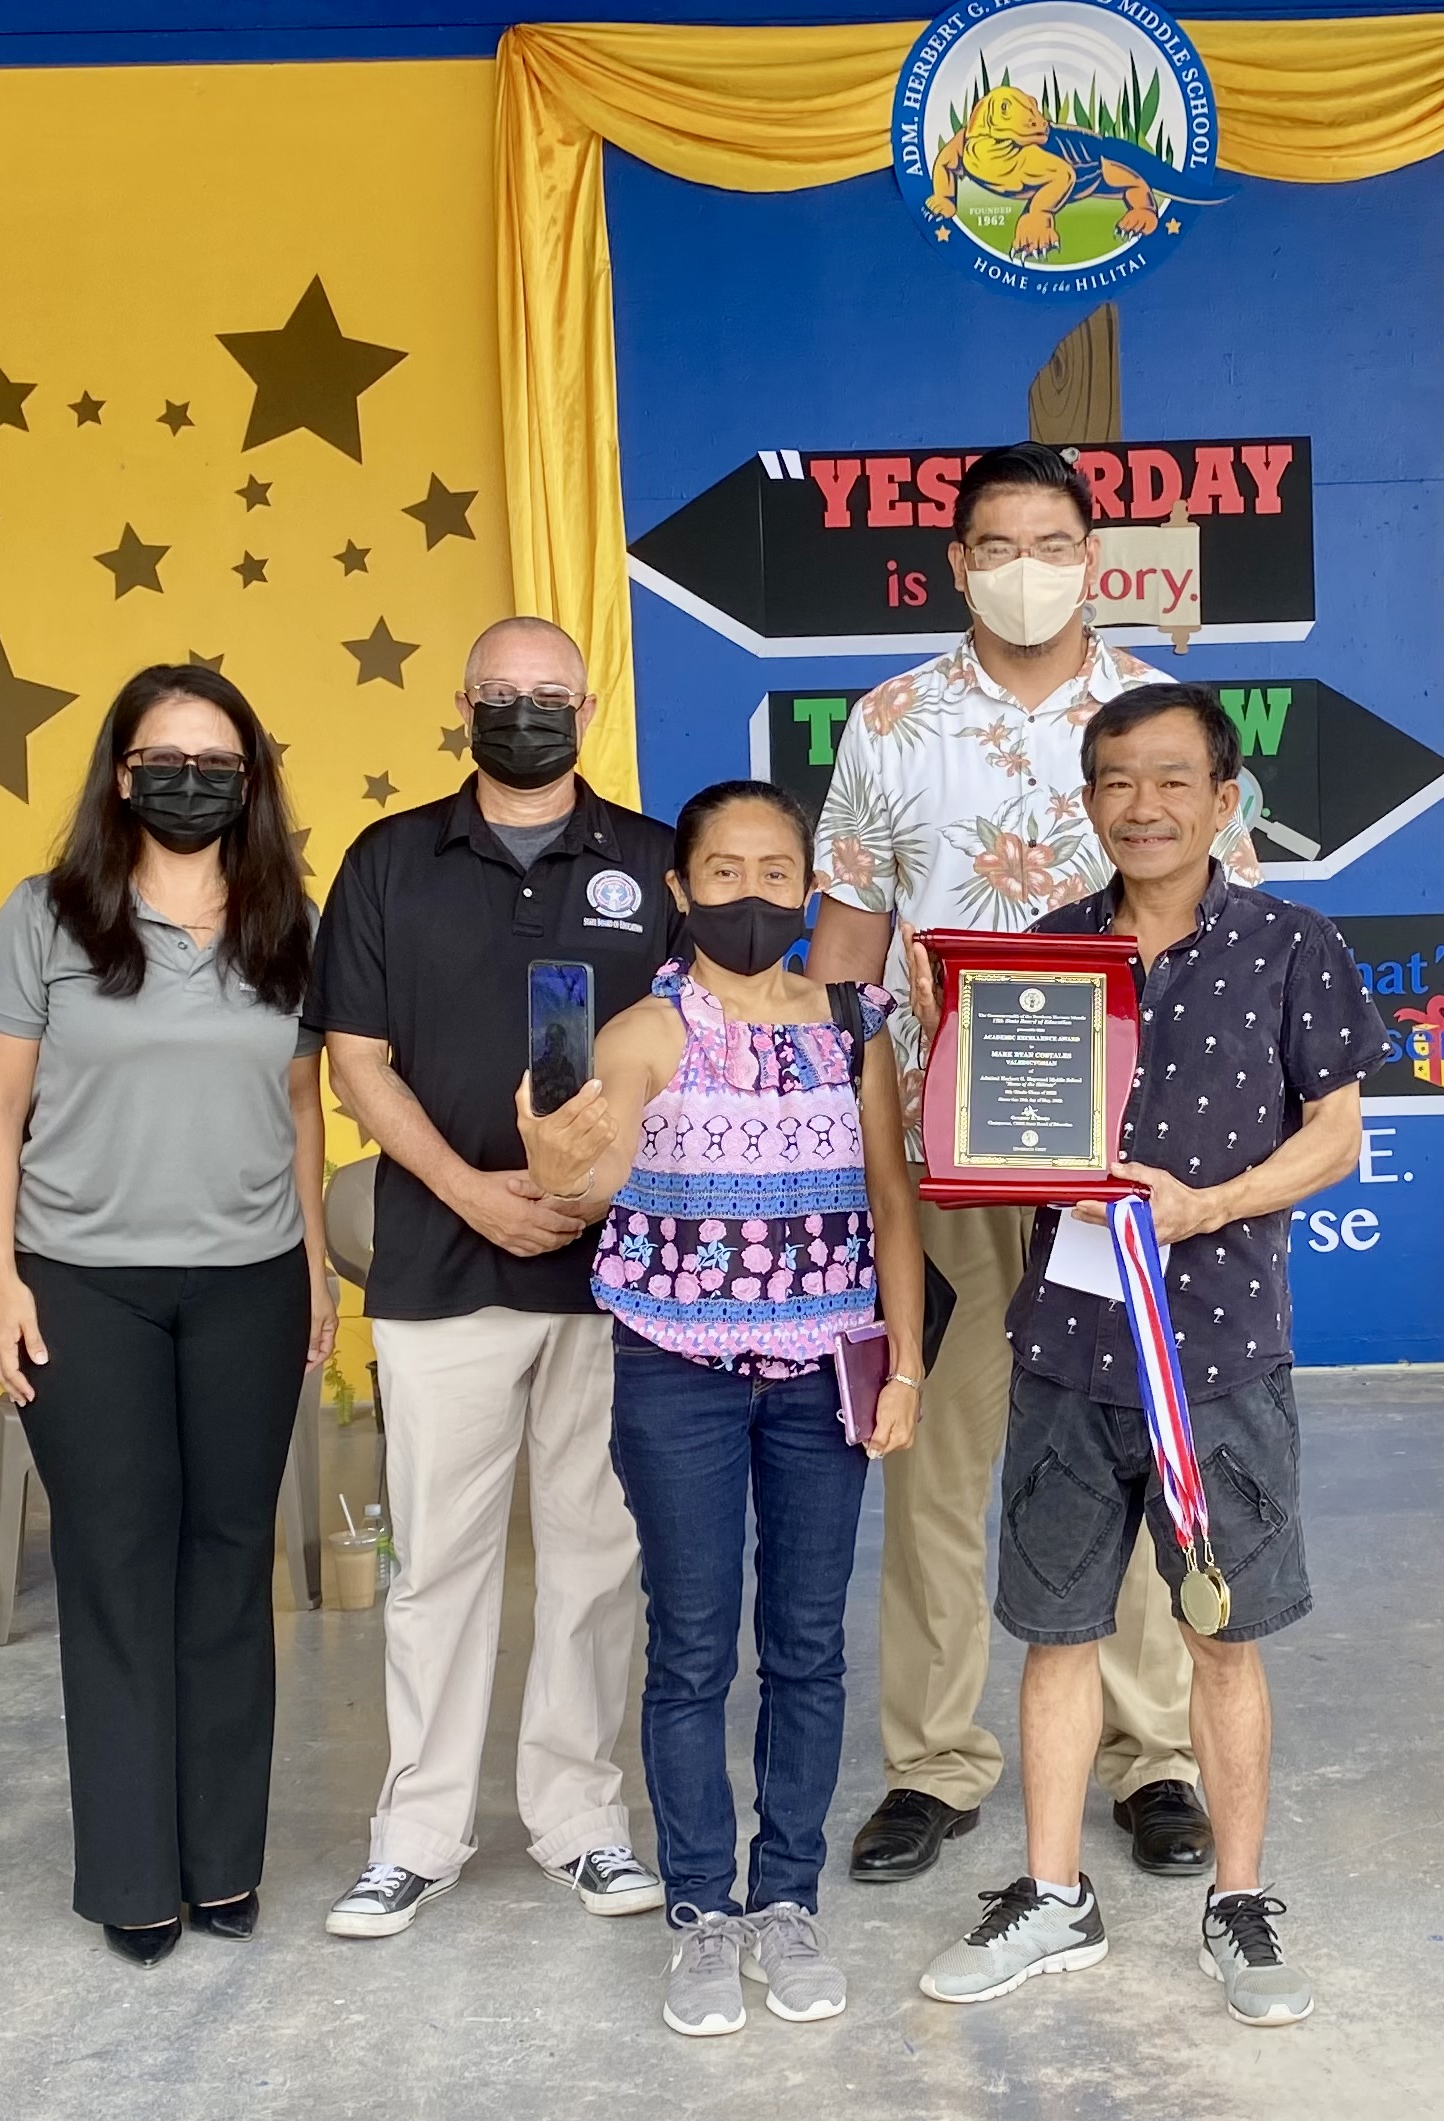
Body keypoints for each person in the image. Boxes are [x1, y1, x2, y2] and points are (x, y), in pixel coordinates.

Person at [806, 442, 1259, 1887]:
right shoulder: (888, 723)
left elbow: (1208, 928)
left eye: (1050, 541)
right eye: (996, 541)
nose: (1023, 565)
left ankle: (1152, 1758)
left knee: (1125, 1446)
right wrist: (835, 1127)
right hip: (946, 1157)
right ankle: (935, 1766)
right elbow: (847, 949)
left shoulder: (1146, 717)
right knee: (938, 1457)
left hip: (1118, 1165)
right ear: (956, 561)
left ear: (1091, 551)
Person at [912, 682, 1383, 2028]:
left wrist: (1209, 1204)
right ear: (1089, 801)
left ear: (1225, 800)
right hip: (1065, 1349)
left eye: (1173, 779)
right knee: (1056, 1633)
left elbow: (1335, 1132)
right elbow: (985, 1141)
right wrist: (983, 1144)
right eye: (1116, 781)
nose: (1144, 805)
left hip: (1220, 1355)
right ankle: (1051, 1897)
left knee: (1220, 1639)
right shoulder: (1041, 961)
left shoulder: (1293, 944)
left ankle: (1239, 1902)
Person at [514, 780, 927, 2039]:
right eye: (727, 872)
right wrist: (550, 1136)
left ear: (810, 890)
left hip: (824, 1374)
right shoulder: (642, 1032)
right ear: (681, 890)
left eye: (778, 871)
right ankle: (702, 1909)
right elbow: (583, 1189)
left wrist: (903, 1364)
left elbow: (892, 1202)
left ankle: (785, 1898)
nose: (755, 894)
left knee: (806, 1644)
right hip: (678, 1374)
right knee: (692, 1646)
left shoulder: (855, 1024)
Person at [306, 616, 677, 1936]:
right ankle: (416, 1833)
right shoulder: (391, 860)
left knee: (595, 1556)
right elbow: (356, 1058)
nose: (527, 711)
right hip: (438, 1269)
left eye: (551, 693)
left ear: (590, 704)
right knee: (439, 1565)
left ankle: (579, 1822)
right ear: (461, 706)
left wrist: (588, 1194)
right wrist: (469, 1192)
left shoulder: (650, 860)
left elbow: (693, 1051)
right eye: (502, 694)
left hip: (615, 1280)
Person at [0, 662, 335, 1968]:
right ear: (121, 773)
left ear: (250, 782)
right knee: (118, 1569)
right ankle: (133, 1873)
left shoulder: (288, 918)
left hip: (248, 1279)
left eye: (217, 763)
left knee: (228, 1566)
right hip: (81, 1283)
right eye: (165, 757)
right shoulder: (46, 915)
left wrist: (314, 1271)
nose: (191, 781)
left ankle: (223, 1863)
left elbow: (299, 1109)